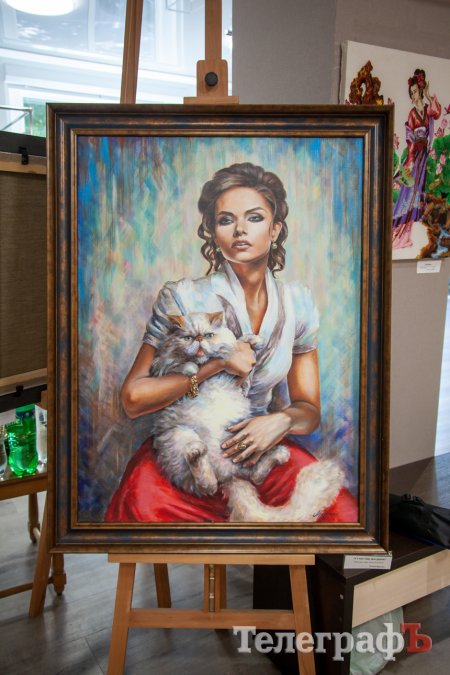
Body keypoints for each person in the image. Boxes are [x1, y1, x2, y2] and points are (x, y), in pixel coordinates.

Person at [105, 162, 357, 523]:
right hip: (189, 446)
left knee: (342, 512)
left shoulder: (298, 303)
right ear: (212, 231)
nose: (240, 230)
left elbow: (309, 409)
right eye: (226, 220)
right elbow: (132, 399)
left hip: (256, 449)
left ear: (275, 228)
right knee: (143, 509)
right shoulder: (183, 297)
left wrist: (281, 421)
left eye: (254, 218)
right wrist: (216, 365)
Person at [392, 68, 441, 249]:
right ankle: (402, 229)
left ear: (420, 90)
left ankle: (416, 224)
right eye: (411, 93)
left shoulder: (427, 109)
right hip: (416, 154)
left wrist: (428, 94)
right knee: (410, 189)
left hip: (425, 154)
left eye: (415, 91)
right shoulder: (412, 113)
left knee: (420, 188)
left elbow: (437, 113)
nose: (413, 95)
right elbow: (409, 137)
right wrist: (411, 158)